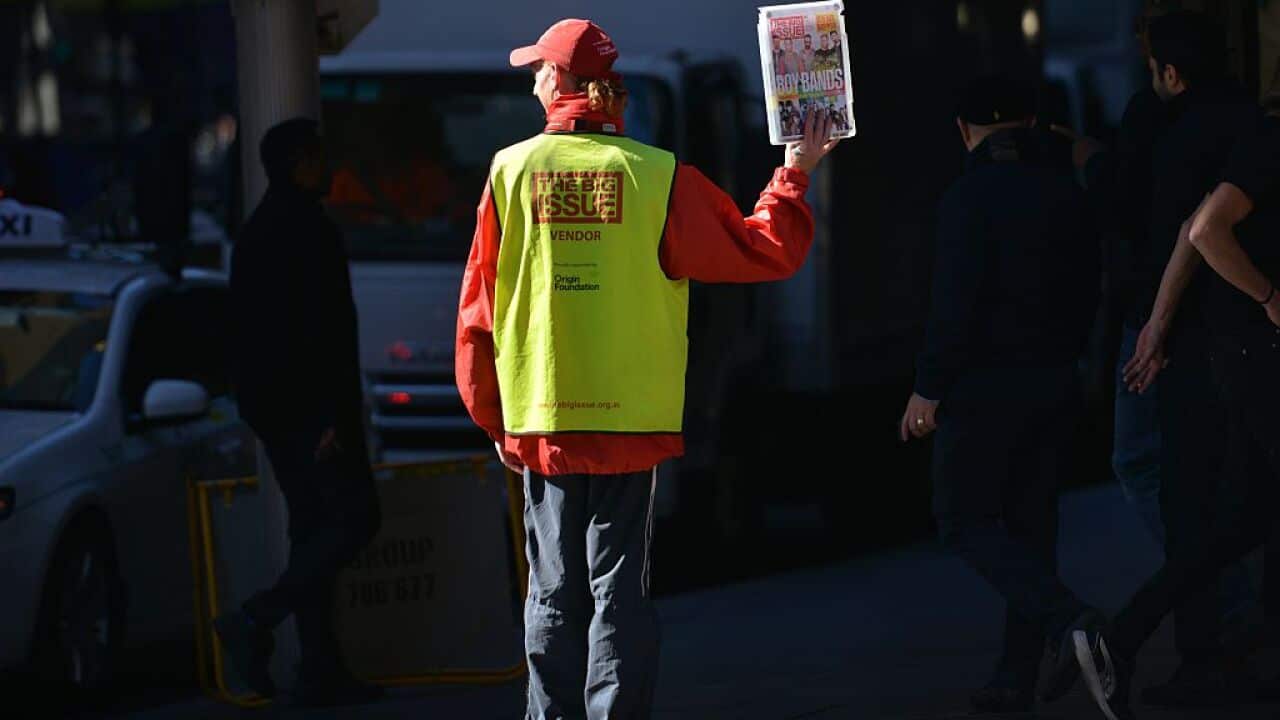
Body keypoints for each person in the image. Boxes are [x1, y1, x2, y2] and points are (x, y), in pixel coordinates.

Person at [455, 18, 839, 719]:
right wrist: (795, 172)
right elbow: (763, 252)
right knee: (619, 593)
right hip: (631, 422)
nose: (533, 78)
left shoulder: (509, 172)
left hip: (544, 418)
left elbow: (478, 312)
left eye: (538, 68)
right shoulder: (657, 175)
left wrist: (493, 418)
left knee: (551, 591)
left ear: (562, 84)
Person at [1058, 12, 1263, 712]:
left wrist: (1154, 327)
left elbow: (1191, 231)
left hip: (1203, 336)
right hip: (1224, 336)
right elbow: (1198, 230)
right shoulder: (1244, 120)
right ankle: (1161, 635)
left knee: (1200, 498)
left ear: (1170, 71)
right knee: (1230, 506)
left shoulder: (1165, 123)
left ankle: (1150, 636)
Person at [899, 74, 1103, 715]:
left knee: (961, 519)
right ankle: (1016, 676)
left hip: (985, 388)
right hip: (1055, 379)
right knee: (1031, 527)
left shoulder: (968, 196)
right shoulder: (1066, 192)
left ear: (963, 131)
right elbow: (1091, 287)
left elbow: (953, 305)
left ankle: (1072, 620)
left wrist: (928, 390)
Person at [219, 117, 383, 708]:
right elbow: (319, 335)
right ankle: (260, 617)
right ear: (299, 164)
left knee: (313, 529)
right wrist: (330, 418)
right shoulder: (304, 232)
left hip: (279, 410)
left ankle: (320, 666)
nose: (330, 168)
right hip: (311, 414)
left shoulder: (260, 230)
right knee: (354, 518)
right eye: (319, 158)